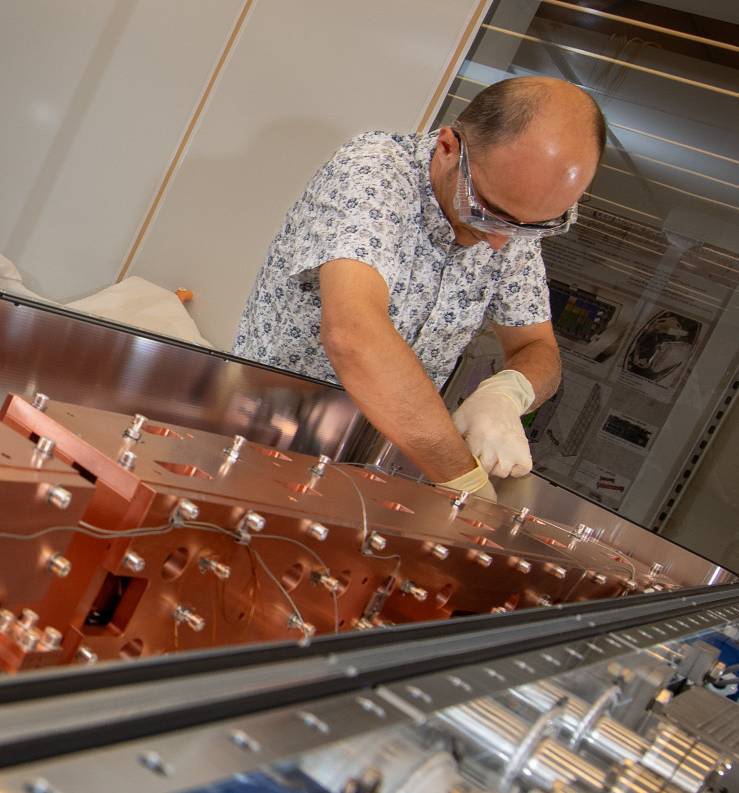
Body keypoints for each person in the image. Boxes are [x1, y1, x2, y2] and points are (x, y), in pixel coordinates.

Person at [233, 77, 604, 501]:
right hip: (263, 434)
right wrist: (465, 482)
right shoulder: (375, 172)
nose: (501, 242)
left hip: (372, 462)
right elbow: (354, 335)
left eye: (535, 227)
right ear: (448, 148)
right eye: (488, 212)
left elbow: (538, 347)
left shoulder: (512, 225)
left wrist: (508, 393)